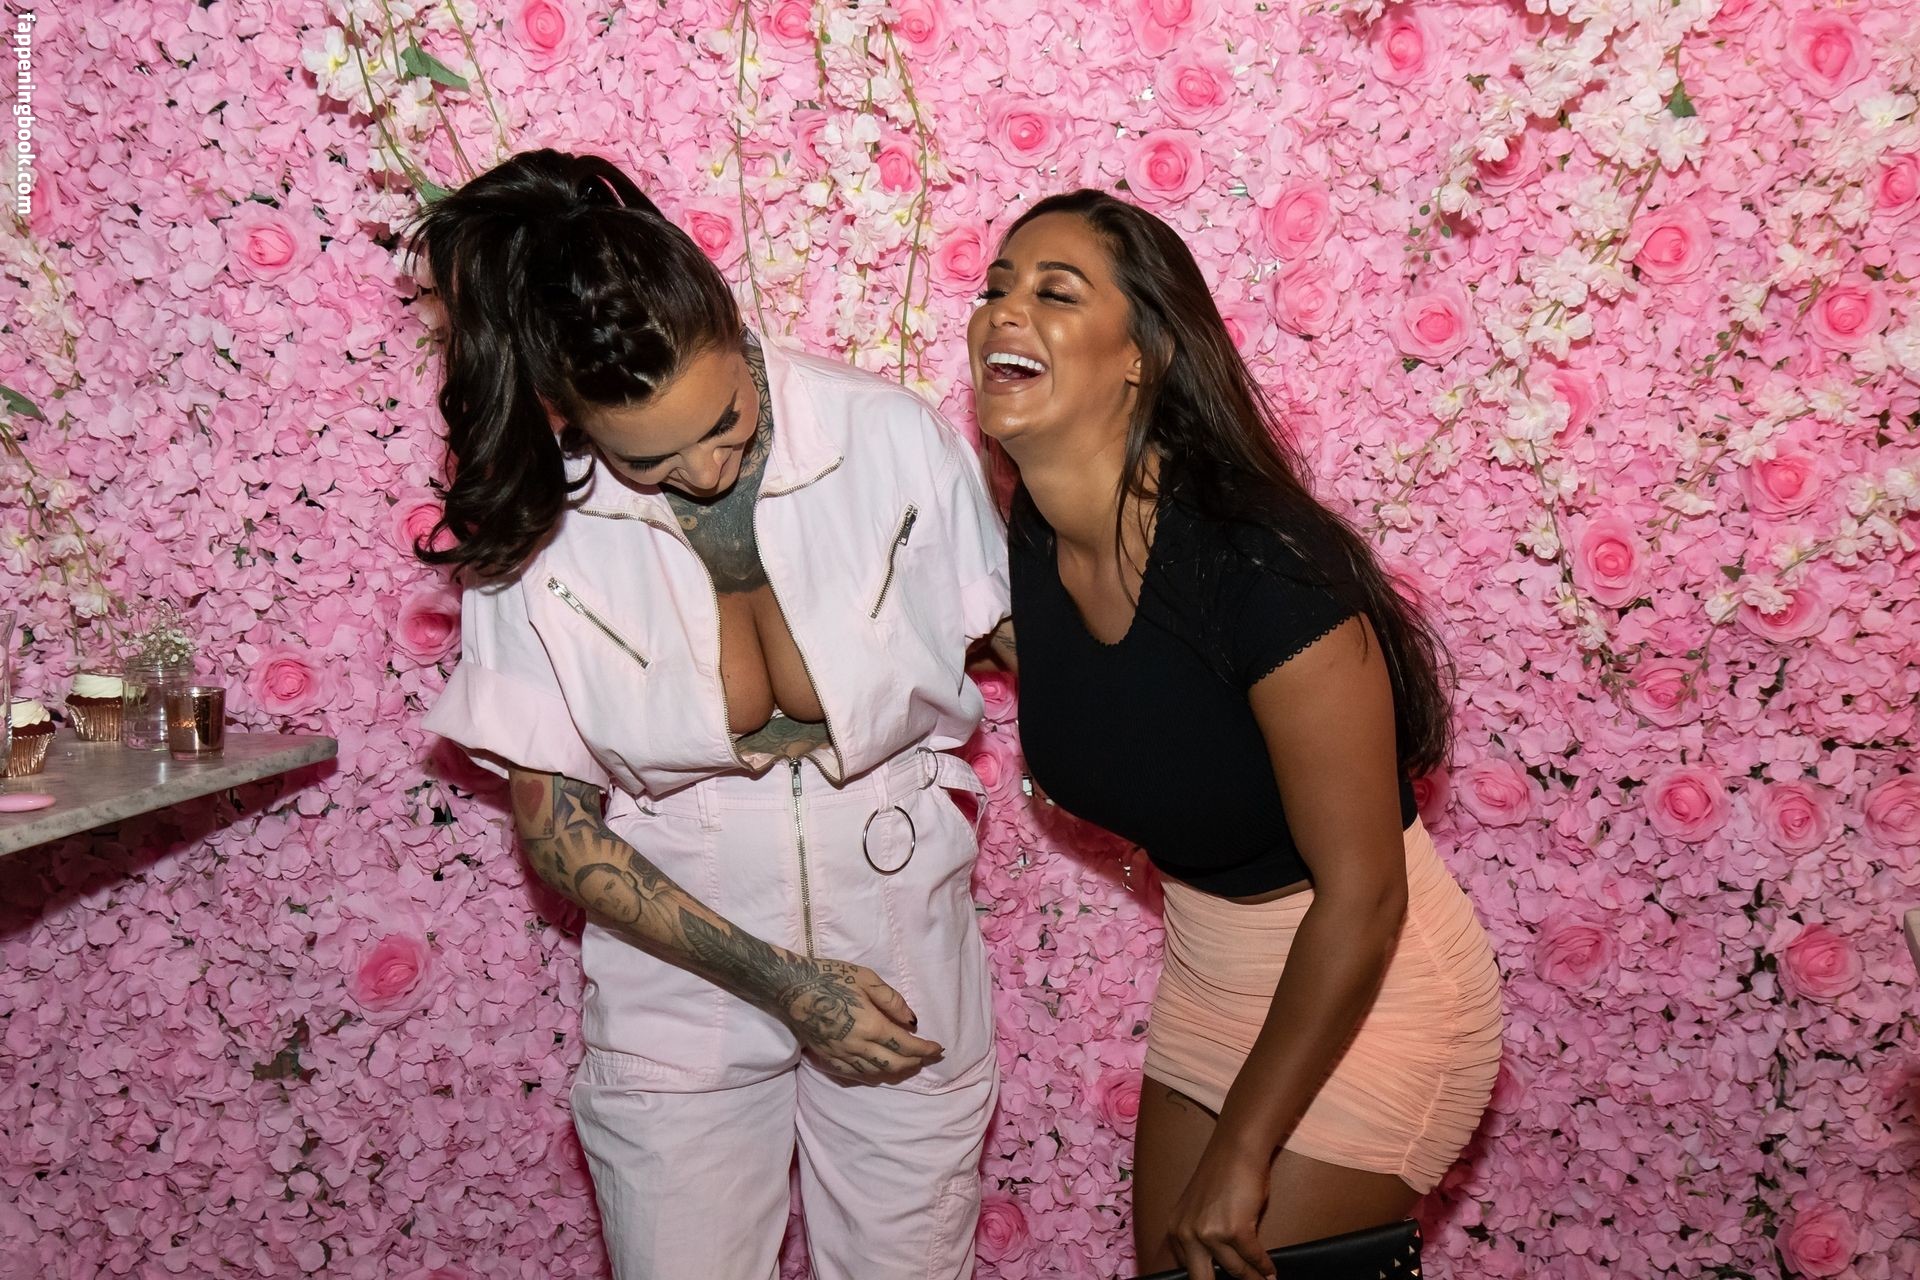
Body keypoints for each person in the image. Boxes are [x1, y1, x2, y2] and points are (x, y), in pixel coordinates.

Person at [407, 148, 1012, 1280]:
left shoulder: (891, 436)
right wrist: (785, 983)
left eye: (722, 419)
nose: (702, 468)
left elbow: (1025, 637)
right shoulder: (538, 517)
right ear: (569, 416)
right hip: (676, 972)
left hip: (900, 923)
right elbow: (557, 830)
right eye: (649, 457)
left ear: (734, 325)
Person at [967, 190, 1503, 1280]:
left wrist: (1246, 1149)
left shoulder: (1261, 567)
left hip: (1368, 978)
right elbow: (1131, 687)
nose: (1005, 312)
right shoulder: (1036, 529)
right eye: (997, 287)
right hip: (1210, 973)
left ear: (1143, 355)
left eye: (1056, 293)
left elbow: (1365, 897)